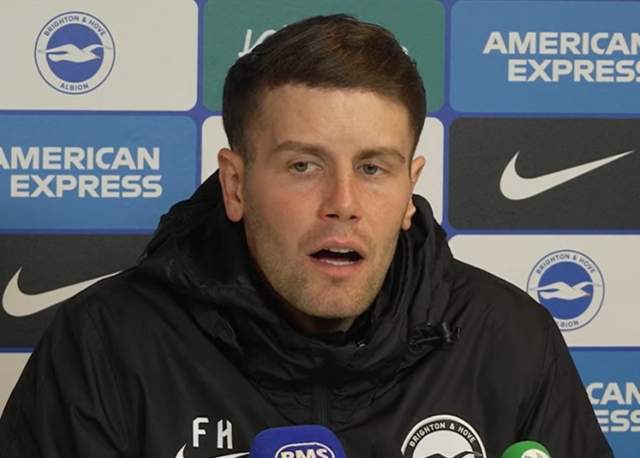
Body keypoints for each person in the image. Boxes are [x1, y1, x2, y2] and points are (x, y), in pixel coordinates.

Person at [0, 15, 612, 458]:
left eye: (373, 168)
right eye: (303, 165)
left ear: (410, 188)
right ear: (235, 185)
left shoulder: (508, 338)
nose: (342, 203)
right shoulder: (105, 344)